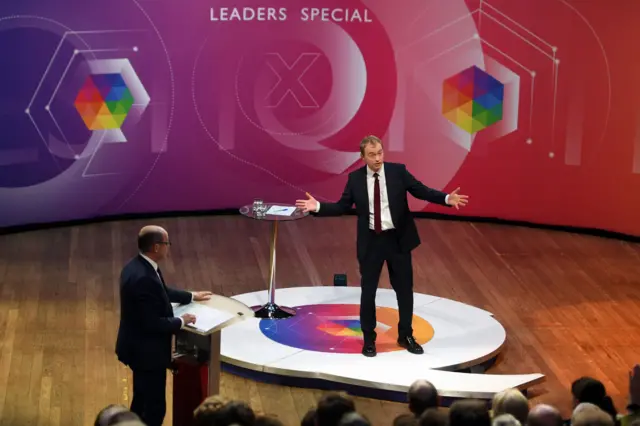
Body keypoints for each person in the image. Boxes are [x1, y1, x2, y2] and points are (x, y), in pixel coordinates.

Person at [296, 135, 468, 357]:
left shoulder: (398, 172)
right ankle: (369, 339)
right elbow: (342, 206)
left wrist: (446, 199)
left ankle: (406, 335)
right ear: (362, 157)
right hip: (371, 243)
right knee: (368, 293)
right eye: (372, 155)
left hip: (398, 240)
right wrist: (317, 206)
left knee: (404, 291)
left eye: (379, 153)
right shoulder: (355, 179)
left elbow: (421, 190)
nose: (377, 158)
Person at [115, 225, 213, 426]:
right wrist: (181, 321)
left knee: (141, 401)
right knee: (154, 409)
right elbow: (151, 324)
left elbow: (161, 292)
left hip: (137, 348)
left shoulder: (138, 266)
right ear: (156, 247)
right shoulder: (143, 277)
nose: (169, 247)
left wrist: (191, 296)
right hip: (147, 354)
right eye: (167, 243)